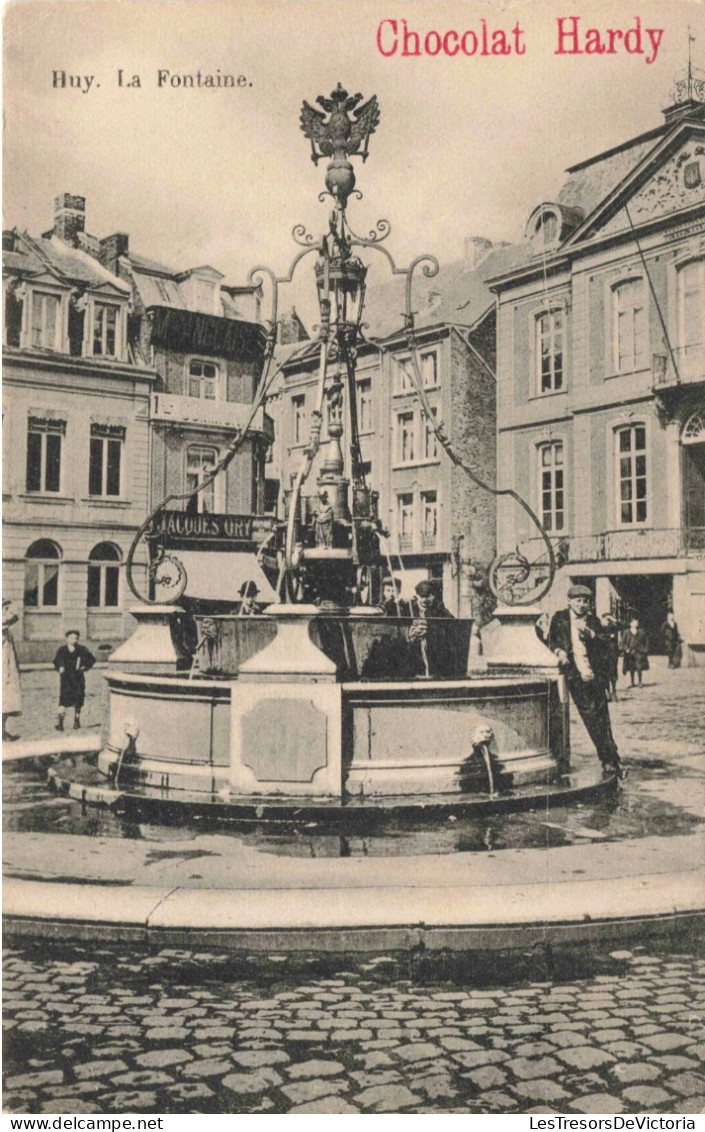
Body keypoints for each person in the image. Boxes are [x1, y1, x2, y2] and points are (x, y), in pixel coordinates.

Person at [548, 585, 626, 780]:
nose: (582, 605)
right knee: (590, 716)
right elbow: (550, 639)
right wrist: (559, 652)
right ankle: (609, 759)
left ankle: (611, 759)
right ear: (569, 601)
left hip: (595, 675)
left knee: (602, 716)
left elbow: (606, 645)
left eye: (585, 601)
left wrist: (592, 636)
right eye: (578, 601)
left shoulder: (593, 620)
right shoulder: (560, 618)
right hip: (576, 675)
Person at [407, 580, 455, 678]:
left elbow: (452, 624)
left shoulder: (439, 608)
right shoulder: (408, 608)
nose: (424, 600)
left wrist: (431, 629)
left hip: (434, 659)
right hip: (414, 662)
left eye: (428, 596)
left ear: (433, 596)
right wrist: (410, 632)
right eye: (422, 596)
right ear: (416, 596)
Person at [53, 630, 96, 731]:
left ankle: (77, 721)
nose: (74, 640)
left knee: (78, 700)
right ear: (67, 639)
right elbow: (57, 660)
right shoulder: (62, 650)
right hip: (66, 679)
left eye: (76, 638)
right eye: (72, 638)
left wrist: (85, 667)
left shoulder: (82, 649)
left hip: (78, 679)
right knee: (63, 700)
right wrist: (60, 667)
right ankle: (60, 723)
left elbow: (92, 659)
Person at [2, 598, 22, 741]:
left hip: (6, 669)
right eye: (4, 608)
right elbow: (11, 618)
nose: (6, 611)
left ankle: (2, 731)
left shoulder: (5, 630)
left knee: (6, 701)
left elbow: (13, 617)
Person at [622, 618, 649, 687]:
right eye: (634, 622)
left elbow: (646, 640)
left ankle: (640, 682)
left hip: (639, 651)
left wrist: (645, 649)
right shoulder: (626, 632)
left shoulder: (641, 632)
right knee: (631, 667)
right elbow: (623, 642)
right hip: (630, 652)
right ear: (630, 624)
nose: (635, 624)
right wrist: (626, 649)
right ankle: (632, 682)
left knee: (639, 667)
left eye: (636, 622)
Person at [600, 612, 621, 702]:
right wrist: (609, 636)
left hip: (613, 653)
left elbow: (621, 626)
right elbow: (598, 636)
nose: (608, 621)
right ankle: (607, 692)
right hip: (602, 653)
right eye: (606, 619)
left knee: (613, 672)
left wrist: (613, 620)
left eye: (609, 619)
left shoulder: (613, 627)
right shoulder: (600, 627)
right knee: (604, 673)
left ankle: (614, 692)